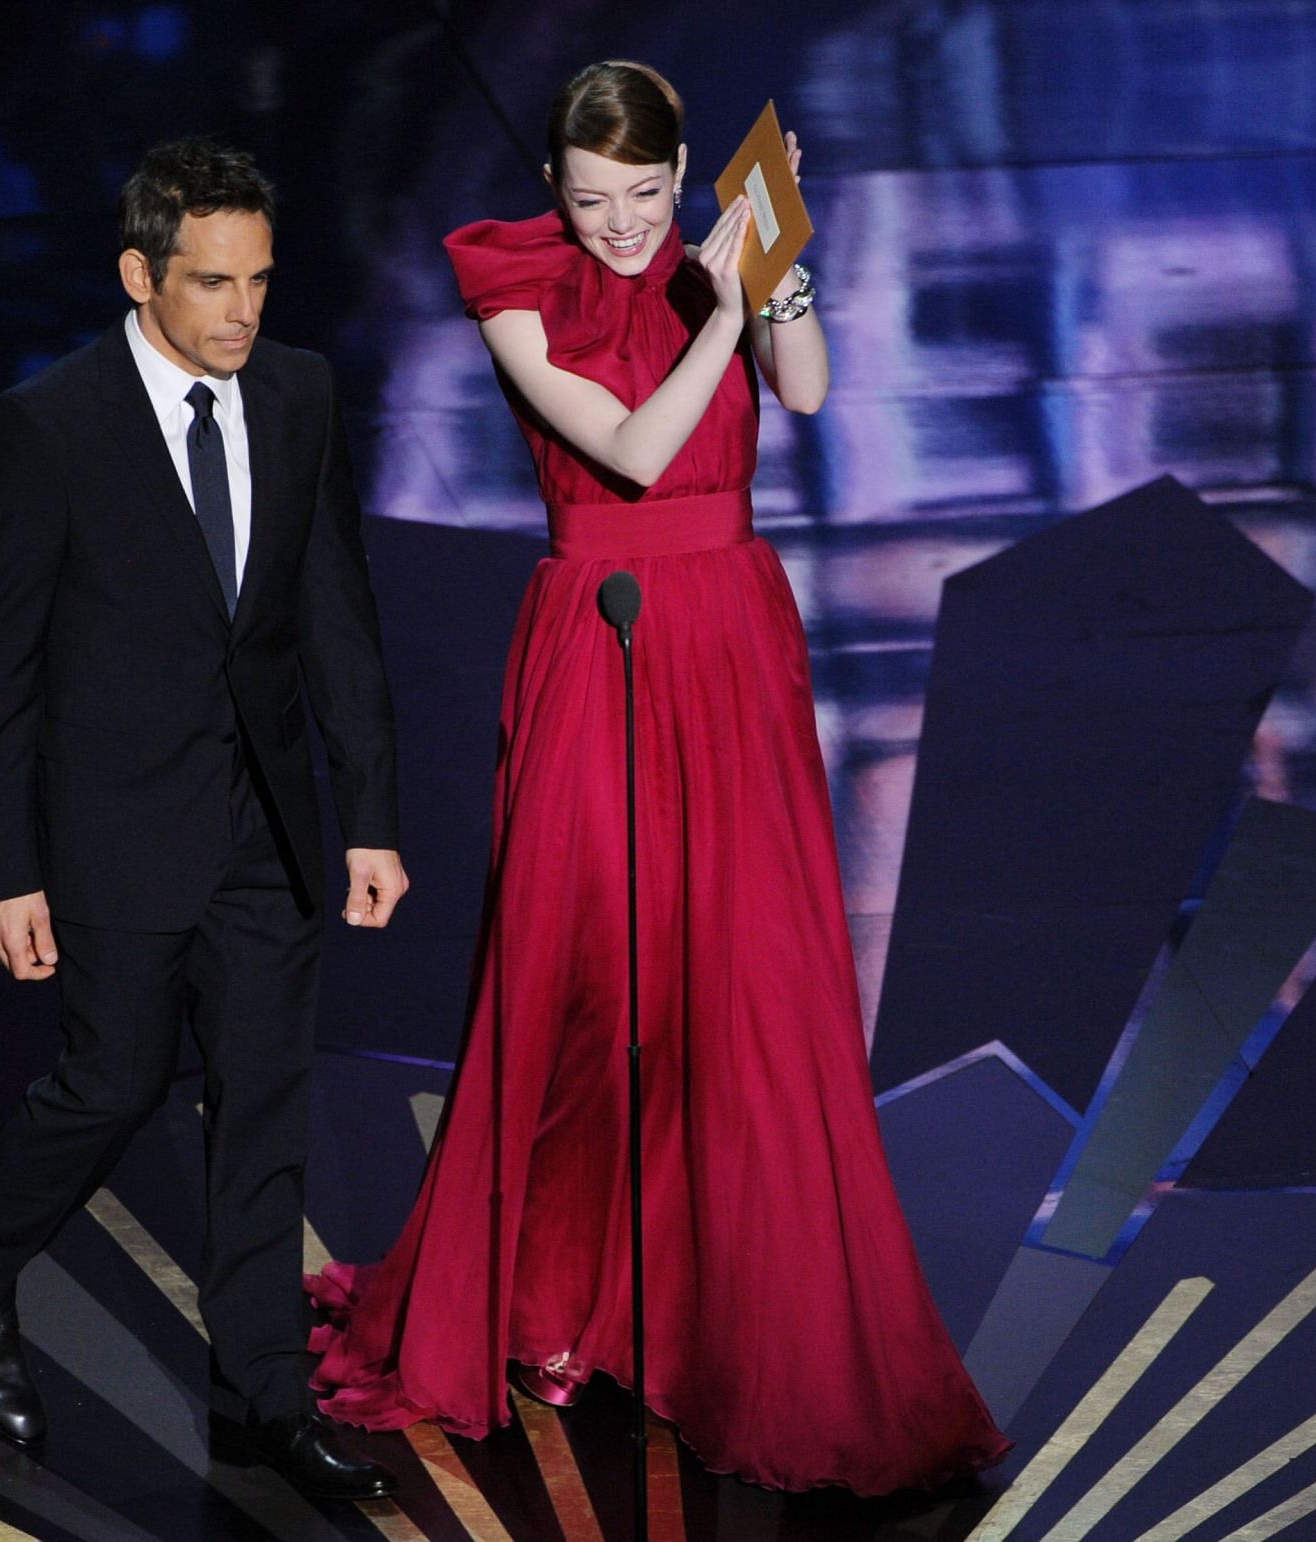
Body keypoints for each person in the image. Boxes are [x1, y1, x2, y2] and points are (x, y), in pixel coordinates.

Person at [306, 62, 1011, 1493]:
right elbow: (629, 447)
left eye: (641, 197)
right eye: (590, 200)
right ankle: (553, 1291)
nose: (619, 228)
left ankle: (729, 1320)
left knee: (741, 980)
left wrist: (777, 275)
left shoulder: (715, 263)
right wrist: (727, 306)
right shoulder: (515, 287)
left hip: (731, 636)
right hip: (596, 641)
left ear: (683, 172)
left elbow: (803, 394)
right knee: (585, 973)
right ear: (554, 193)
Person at [0, 136, 406, 1502]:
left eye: (257, 279)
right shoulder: (51, 424)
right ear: (140, 276)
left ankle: (263, 1397)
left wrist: (366, 814)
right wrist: (2, 870)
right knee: (110, 1084)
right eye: (210, 282)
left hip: (268, 830)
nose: (242, 309)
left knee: (264, 1113)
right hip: (115, 832)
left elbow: (335, 618)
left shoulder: (299, 395)